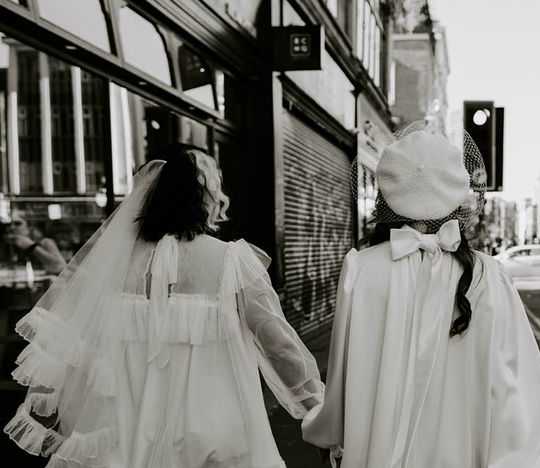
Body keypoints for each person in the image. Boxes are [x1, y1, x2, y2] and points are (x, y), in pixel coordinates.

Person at [5, 144, 323, 467]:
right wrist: (320, 410)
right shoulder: (233, 262)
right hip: (213, 438)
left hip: (124, 440)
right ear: (205, 198)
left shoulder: (118, 266)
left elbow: (83, 350)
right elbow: (280, 347)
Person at [302, 123, 540, 467]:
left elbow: (341, 378)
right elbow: (518, 385)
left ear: (387, 198)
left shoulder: (361, 270)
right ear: (455, 197)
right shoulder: (489, 276)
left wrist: (322, 428)